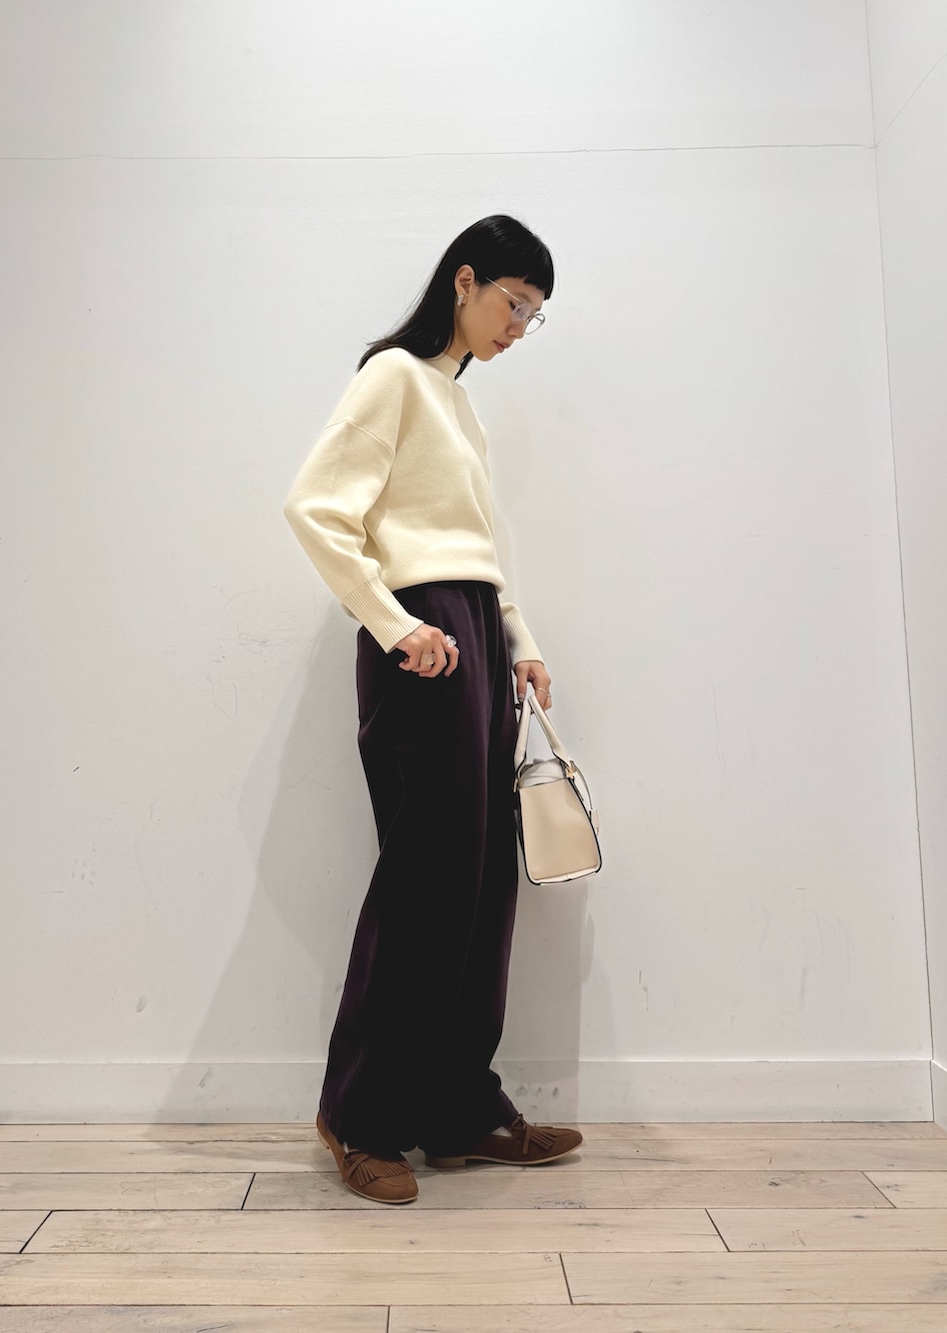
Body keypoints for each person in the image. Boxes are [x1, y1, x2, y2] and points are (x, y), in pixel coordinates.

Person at [283, 214, 583, 1204]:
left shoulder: (459, 404)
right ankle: (358, 1116)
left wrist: (521, 639)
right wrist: (391, 622)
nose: (519, 327)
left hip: (474, 631)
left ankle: (457, 1110)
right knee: (426, 875)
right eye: (513, 303)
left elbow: (480, 542)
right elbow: (316, 508)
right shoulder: (395, 377)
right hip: (423, 639)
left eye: (533, 316)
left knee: (482, 879)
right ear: (464, 281)